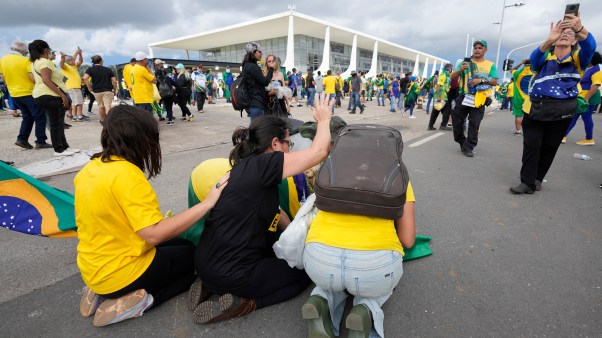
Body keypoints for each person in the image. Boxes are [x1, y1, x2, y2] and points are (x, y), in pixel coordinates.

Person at [74, 104, 229, 327]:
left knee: (184, 245)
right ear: (140, 139)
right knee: (195, 261)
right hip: (120, 273)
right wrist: (206, 204)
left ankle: (100, 292)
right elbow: (154, 235)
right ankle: (142, 301)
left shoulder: (91, 168)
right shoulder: (127, 174)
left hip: (93, 265)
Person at [189, 94, 333, 324]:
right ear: (275, 144)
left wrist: (299, 239)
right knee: (302, 275)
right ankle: (245, 303)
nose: (290, 149)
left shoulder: (243, 170)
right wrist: (324, 120)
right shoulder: (264, 165)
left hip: (205, 264)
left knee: (273, 258)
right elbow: (318, 153)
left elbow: (276, 213)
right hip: (234, 274)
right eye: (289, 143)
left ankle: (209, 286)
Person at [302, 179, 415, 338]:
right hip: (372, 265)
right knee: (374, 285)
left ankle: (321, 299)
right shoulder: (398, 175)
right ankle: (366, 309)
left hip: (319, 258)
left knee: (334, 282)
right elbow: (408, 240)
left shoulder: (332, 164)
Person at [510, 14, 596, 194]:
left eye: (570, 34)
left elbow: (590, 46)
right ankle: (527, 182)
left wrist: (580, 29)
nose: (565, 34)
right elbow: (534, 59)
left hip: (562, 112)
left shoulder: (578, 61)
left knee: (549, 148)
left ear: (574, 42)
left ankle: (538, 178)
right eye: (562, 32)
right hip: (535, 109)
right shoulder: (544, 59)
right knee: (532, 145)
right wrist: (548, 40)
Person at [450, 40, 499, 157]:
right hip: (463, 96)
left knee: (474, 124)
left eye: (480, 48)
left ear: (485, 50)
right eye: (475, 48)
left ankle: (469, 146)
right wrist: (460, 70)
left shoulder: (490, 65)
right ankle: (462, 141)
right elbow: (451, 77)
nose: (477, 49)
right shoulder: (465, 63)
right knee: (456, 122)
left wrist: (481, 80)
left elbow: (494, 81)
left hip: (479, 98)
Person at [0, 40, 51, 150]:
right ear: (23, 50)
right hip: (29, 92)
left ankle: (22, 139)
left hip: (14, 94)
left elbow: (3, 79)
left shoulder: (2, 60)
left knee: (27, 117)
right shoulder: (25, 60)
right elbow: (32, 79)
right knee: (40, 117)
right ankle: (40, 141)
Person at [28, 40, 76, 157]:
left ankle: (64, 147)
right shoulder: (45, 62)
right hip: (49, 95)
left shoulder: (35, 62)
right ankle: (59, 149)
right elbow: (46, 80)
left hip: (42, 95)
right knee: (56, 123)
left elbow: (36, 80)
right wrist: (62, 95)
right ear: (46, 50)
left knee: (58, 122)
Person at [564, 51, 601, 145]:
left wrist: (587, 98)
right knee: (576, 117)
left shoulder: (597, 69)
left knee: (583, 117)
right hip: (582, 96)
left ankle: (589, 139)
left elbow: (596, 85)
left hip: (588, 97)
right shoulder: (590, 68)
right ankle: (564, 136)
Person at [242, 42, 273, 121]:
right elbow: (265, 82)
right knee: (257, 130)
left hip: (252, 103)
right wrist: (271, 69)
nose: (261, 54)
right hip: (256, 104)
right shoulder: (252, 66)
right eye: (259, 52)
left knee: (256, 129)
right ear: (253, 52)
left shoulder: (246, 66)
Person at [83, 55, 117, 124]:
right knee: (107, 106)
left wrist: (89, 87)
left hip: (97, 91)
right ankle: (109, 122)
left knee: (101, 106)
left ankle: (102, 120)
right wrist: (115, 90)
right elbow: (114, 81)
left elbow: (85, 78)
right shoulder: (108, 69)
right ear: (101, 61)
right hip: (107, 90)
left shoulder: (90, 69)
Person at [60, 48, 85, 122]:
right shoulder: (66, 66)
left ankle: (74, 116)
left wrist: (79, 53)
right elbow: (61, 65)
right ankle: (80, 116)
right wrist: (63, 58)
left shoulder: (74, 66)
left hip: (72, 87)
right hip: (74, 87)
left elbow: (80, 61)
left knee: (74, 102)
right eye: (71, 60)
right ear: (67, 62)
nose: (74, 61)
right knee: (79, 102)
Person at [510, 59, 533, 136]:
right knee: (531, 116)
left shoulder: (518, 73)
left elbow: (512, 70)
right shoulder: (536, 72)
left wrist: (520, 62)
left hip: (519, 97)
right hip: (531, 98)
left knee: (519, 115)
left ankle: (518, 131)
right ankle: (530, 131)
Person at [428, 63, 454, 131]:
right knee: (447, 111)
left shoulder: (447, 75)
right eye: (451, 68)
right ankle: (442, 125)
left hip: (443, 95)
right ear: (448, 68)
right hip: (441, 96)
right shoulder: (443, 75)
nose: (452, 70)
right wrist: (439, 97)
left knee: (436, 111)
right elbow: (438, 85)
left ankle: (430, 126)